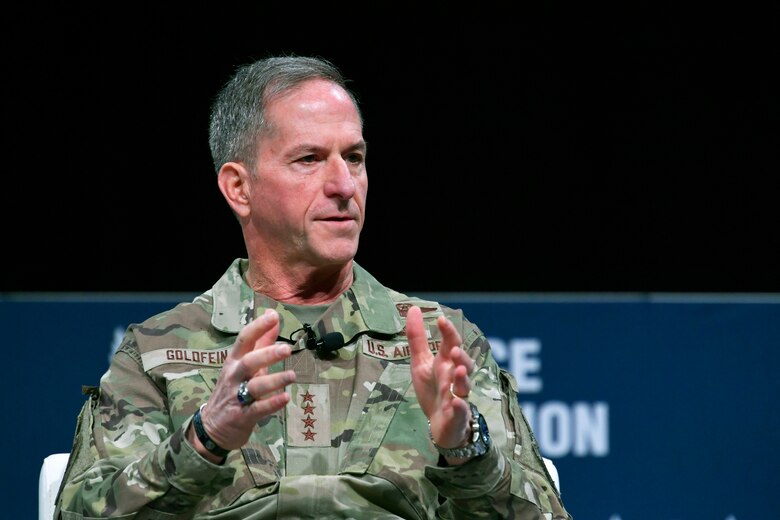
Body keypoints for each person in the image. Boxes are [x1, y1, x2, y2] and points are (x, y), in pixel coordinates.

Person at [55, 55, 572, 519]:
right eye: (309, 159)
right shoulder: (158, 348)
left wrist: (466, 448)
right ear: (240, 187)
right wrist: (203, 440)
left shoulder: (439, 342)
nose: (344, 185)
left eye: (354, 157)